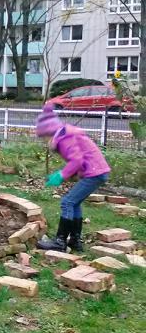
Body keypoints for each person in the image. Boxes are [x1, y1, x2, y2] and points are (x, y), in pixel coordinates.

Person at [35, 103, 111, 252]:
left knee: (67, 202)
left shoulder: (64, 139)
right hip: (98, 171)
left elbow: (77, 160)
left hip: (94, 173)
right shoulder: (66, 135)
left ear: (49, 132)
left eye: (43, 138)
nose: (44, 142)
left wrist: (61, 175)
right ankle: (75, 241)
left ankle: (60, 242)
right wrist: (71, 174)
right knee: (74, 203)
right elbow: (81, 158)